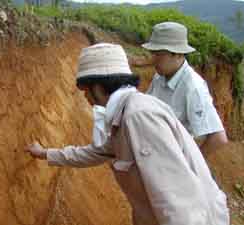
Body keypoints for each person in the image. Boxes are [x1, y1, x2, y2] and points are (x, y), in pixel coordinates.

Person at [25, 43, 229, 225]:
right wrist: (45, 154)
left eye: (86, 90)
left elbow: (175, 199)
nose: (86, 96)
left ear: (99, 85)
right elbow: (95, 153)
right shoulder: (126, 113)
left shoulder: (138, 116)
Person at [142, 22, 228, 156]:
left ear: (177, 54)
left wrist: (188, 166)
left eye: (158, 54)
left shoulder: (193, 88)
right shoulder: (160, 77)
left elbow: (218, 138)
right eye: (152, 53)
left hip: (172, 162)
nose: (153, 59)